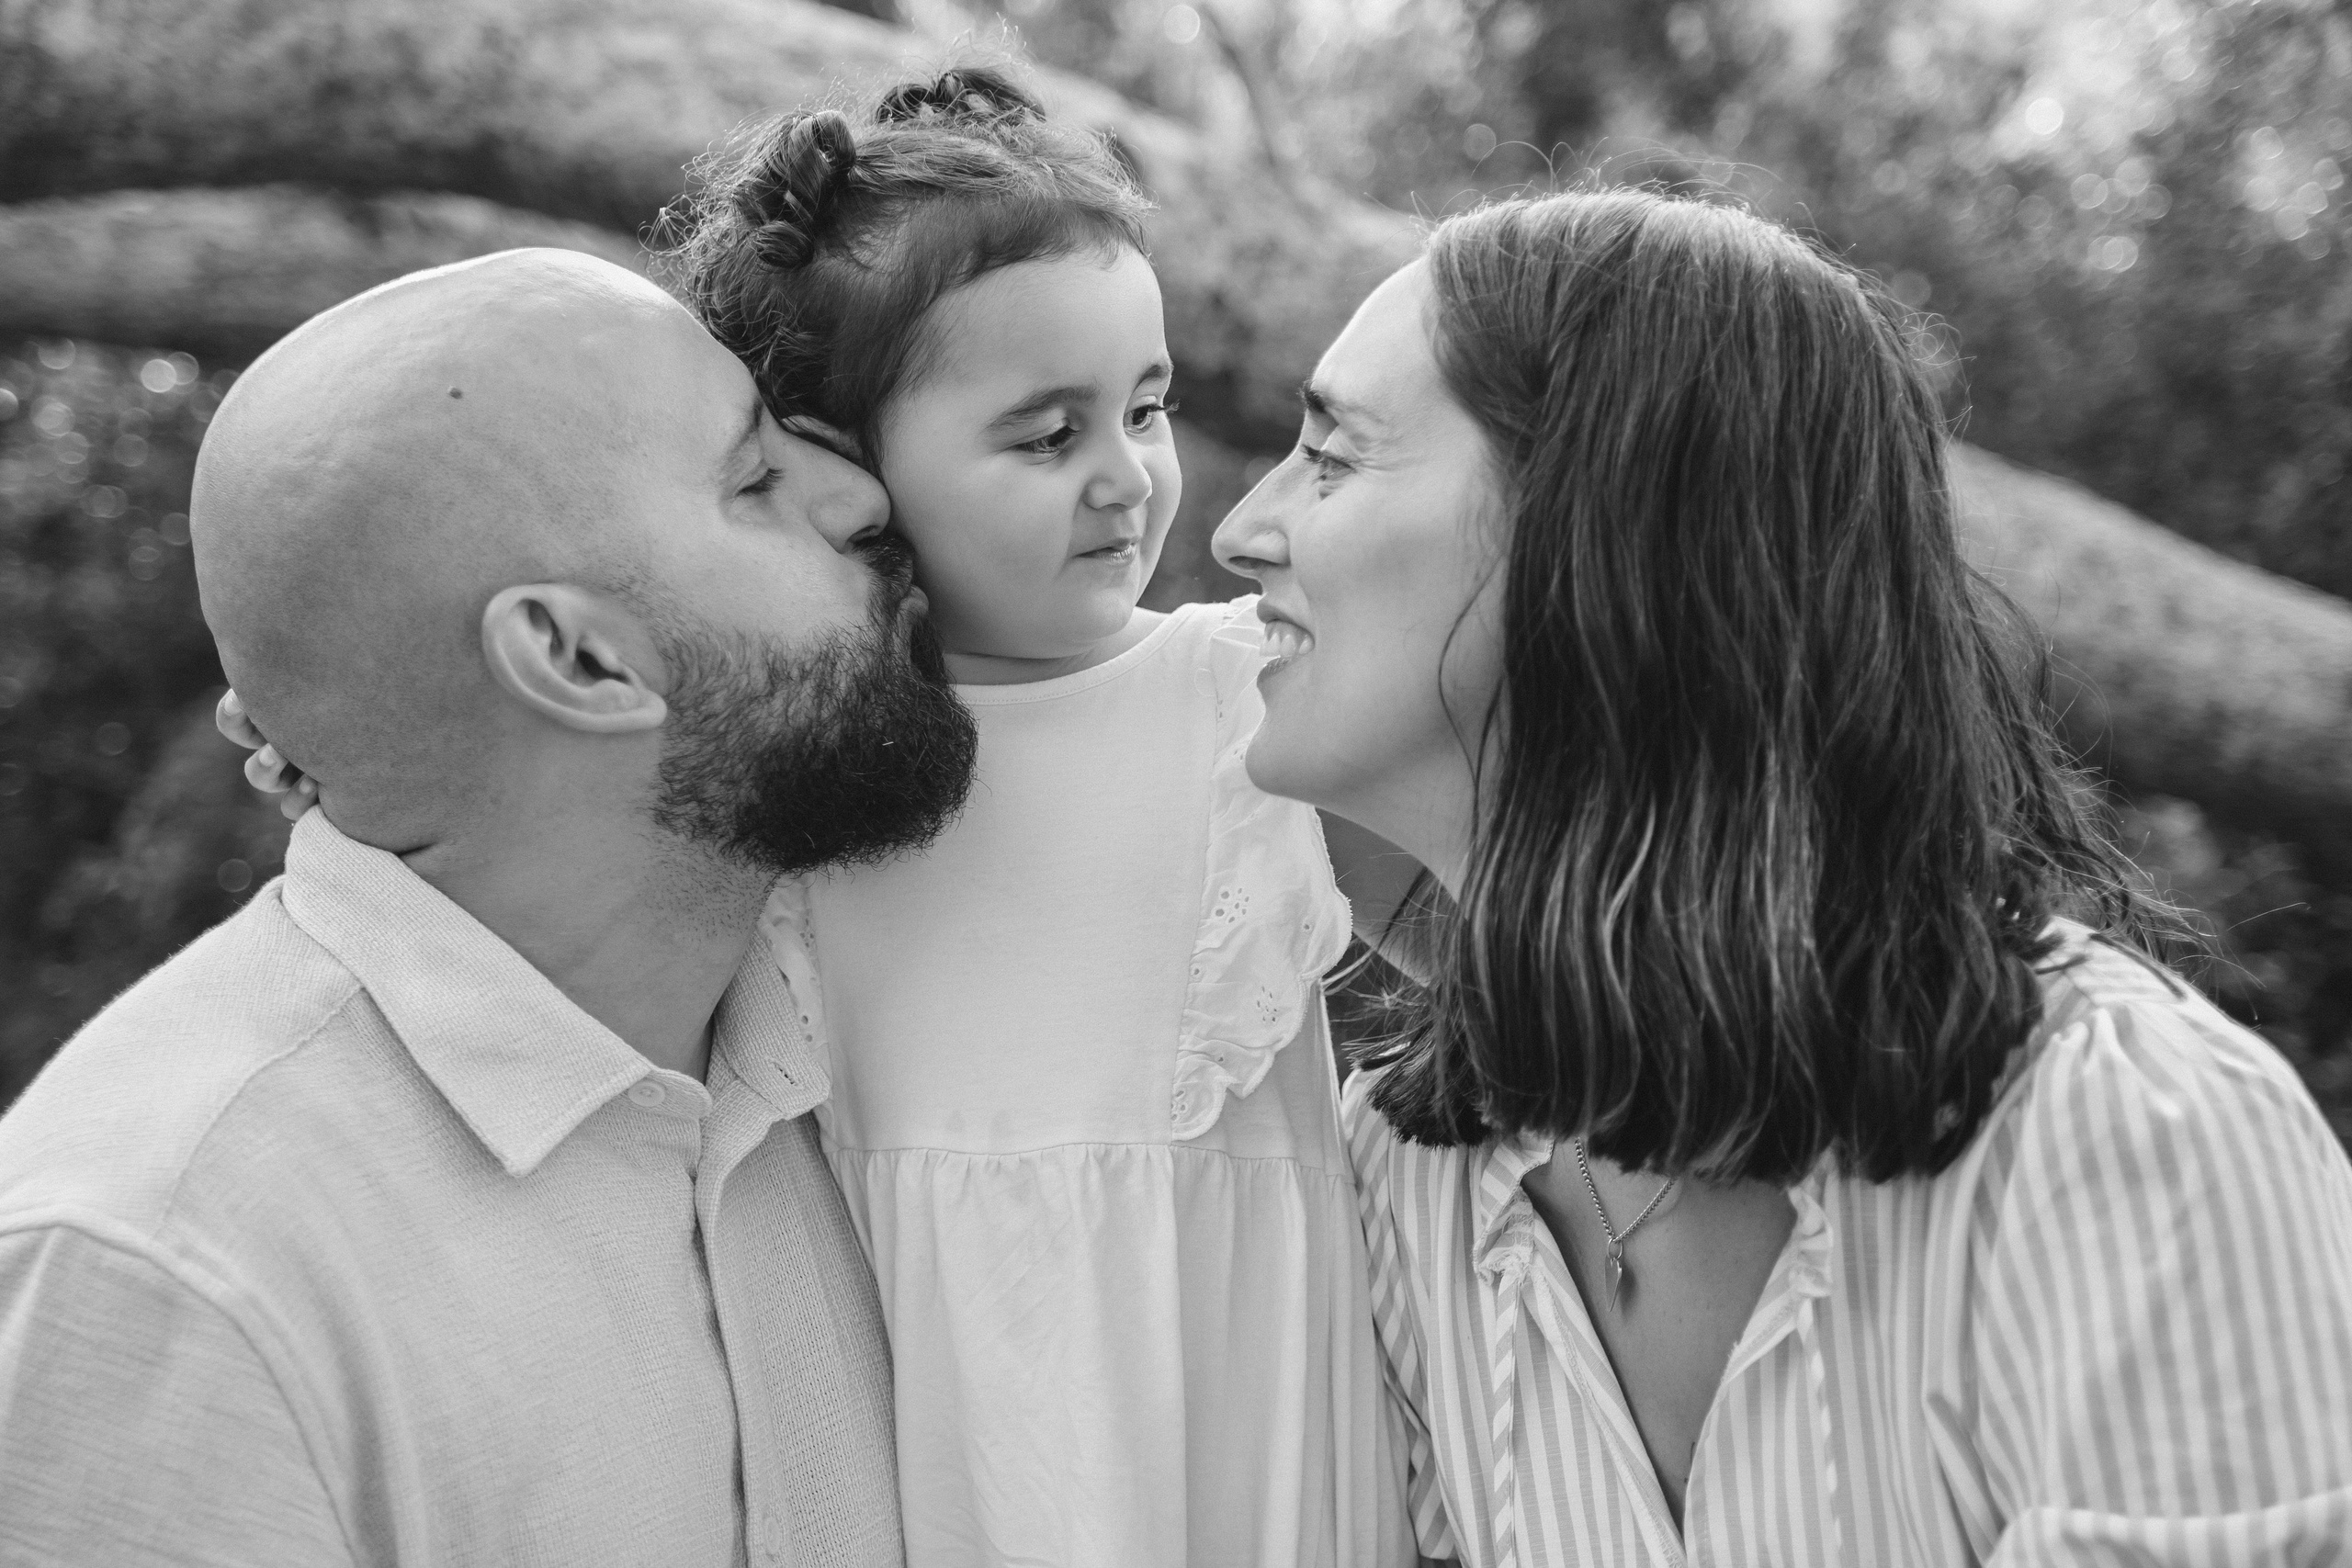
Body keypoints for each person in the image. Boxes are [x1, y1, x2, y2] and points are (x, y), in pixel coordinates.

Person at [1212, 188, 2352, 1565]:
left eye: (1332, 459)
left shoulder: (2129, 1144)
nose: (1243, 530)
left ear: (1601, 532)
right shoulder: (1413, 1177)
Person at [0, 248, 978, 1565]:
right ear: (575, 660)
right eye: (755, 479)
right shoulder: (165, 1272)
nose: (861, 490)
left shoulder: (866, 1024)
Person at [661, 68, 1409, 1567]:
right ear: (833, 466)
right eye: (1042, 435)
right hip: (934, 1473)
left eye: (1143, 408)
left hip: (1242, 1471)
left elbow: (1531, 945)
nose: (1127, 478)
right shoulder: (773, 774)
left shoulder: (1251, 703)